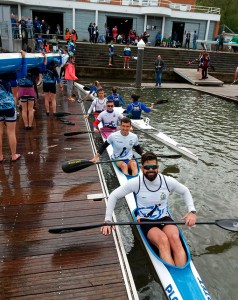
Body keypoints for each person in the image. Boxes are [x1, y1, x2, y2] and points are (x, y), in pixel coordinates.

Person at [101, 151, 197, 266]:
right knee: (163, 241)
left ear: (158, 167)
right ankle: (172, 269)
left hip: (164, 217)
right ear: (141, 168)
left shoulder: (168, 181)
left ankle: (182, 272)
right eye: (147, 167)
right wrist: (108, 220)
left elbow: (185, 191)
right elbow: (113, 196)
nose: (151, 169)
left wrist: (192, 211)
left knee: (175, 239)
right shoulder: (135, 183)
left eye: (154, 167)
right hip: (146, 220)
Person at [0, 50, 27, 162]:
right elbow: (23, 73)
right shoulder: (8, 74)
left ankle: (0, 156)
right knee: (11, 132)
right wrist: (24, 58)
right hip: (9, 106)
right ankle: (13, 155)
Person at [18, 52, 47, 129]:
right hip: (30, 90)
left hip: (22, 90)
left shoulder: (18, 68)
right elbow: (43, 68)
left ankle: (26, 125)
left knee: (24, 109)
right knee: (30, 109)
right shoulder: (34, 69)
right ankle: (30, 126)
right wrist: (45, 58)